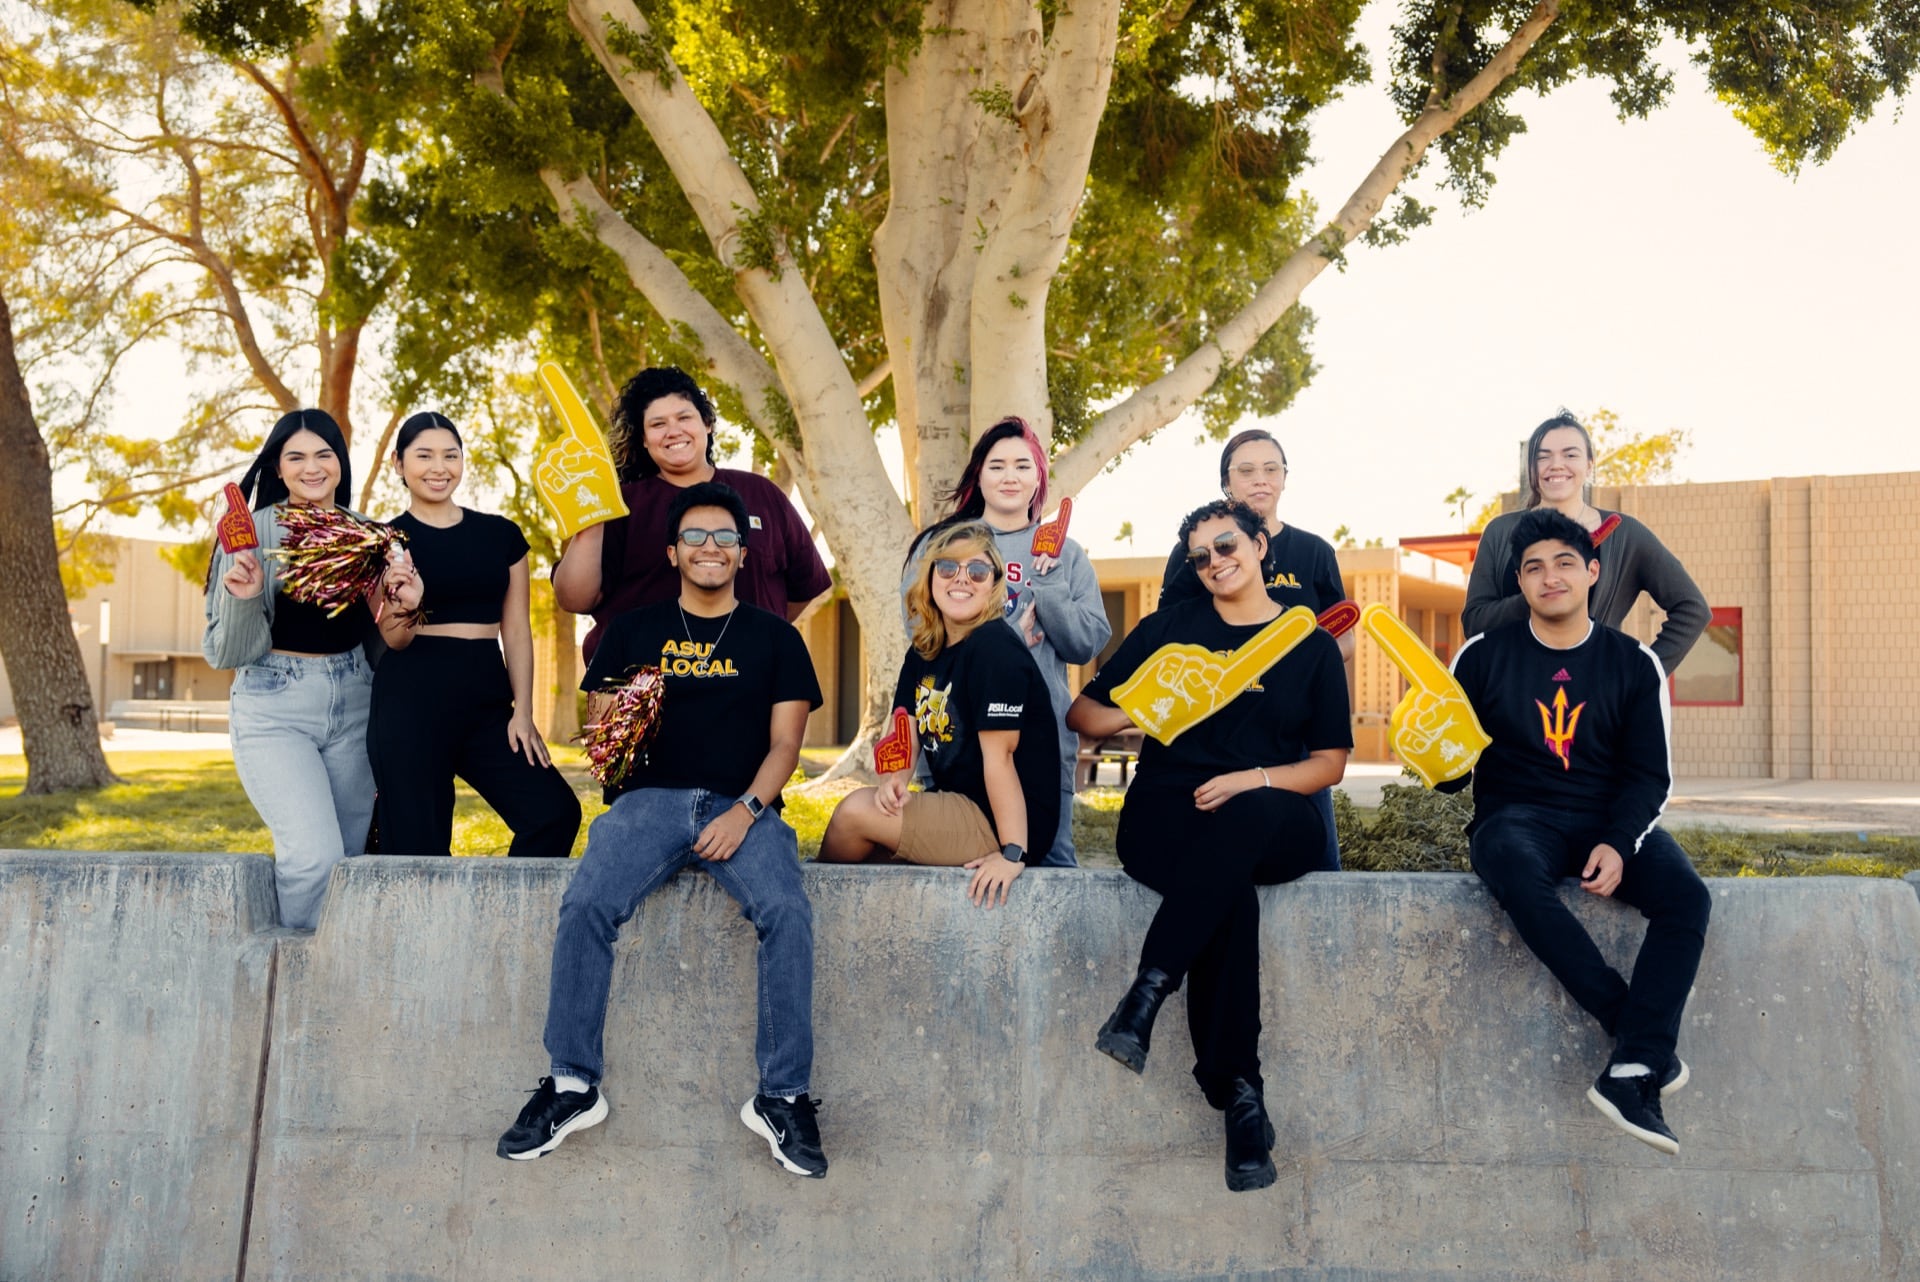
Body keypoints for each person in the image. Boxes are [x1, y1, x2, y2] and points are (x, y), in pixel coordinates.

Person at [497, 481, 828, 1178]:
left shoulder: (775, 638)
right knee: (587, 903)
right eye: (697, 538)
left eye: (726, 539)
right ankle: (571, 1084)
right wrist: (624, 718)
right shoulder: (634, 631)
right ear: (674, 551)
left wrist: (747, 811)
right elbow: (604, 741)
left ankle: (783, 1094)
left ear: (744, 552)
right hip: (649, 802)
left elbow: (786, 748)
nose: (712, 549)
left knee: (788, 911)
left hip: (743, 803)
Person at [1067, 499, 1350, 1193]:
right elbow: (1084, 715)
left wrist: (1251, 779)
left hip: (1274, 812)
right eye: (1202, 557)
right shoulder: (1170, 629)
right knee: (1229, 898)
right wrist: (1150, 706)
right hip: (1166, 816)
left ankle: (1150, 989)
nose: (1217, 562)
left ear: (1259, 546)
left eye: (1228, 547)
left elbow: (1330, 762)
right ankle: (1241, 1099)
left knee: (1244, 822)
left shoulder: (1306, 643)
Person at [1445, 508, 1711, 1155]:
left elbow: (1651, 777)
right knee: (1507, 862)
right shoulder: (1481, 657)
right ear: (1519, 582)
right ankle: (1635, 1036)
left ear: (1592, 572)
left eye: (1565, 563)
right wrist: (1430, 748)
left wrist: (1619, 842)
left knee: (1687, 898)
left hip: (1605, 816)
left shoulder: (1633, 663)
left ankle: (1628, 1073)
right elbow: (1452, 777)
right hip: (1518, 819)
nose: (1549, 577)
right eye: (1533, 567)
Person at [203, 409, 421, 929]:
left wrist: (404, 599)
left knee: (345, 861)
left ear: (340, 463)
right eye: (295, 456)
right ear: (278, 468)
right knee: (311, 858)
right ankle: (298, 986)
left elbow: (391, 637)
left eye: (324, 454)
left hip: (353, 701)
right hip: (273, 704)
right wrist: (248, 595)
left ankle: (336, 984)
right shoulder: (250, 531)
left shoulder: (369, 534)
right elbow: (224, 652)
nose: (312, 467)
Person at [366, 412, 580, 858]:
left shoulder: (501, 535)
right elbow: (394, 640)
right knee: (417, 851)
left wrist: (523, 712)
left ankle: (502, 921)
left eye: (451, 455)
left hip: (487, 703)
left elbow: (517, 631)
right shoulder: (384, 540)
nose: (439, 467)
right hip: (410, 703)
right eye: (423, 455)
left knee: (554, 812)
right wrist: (407, 604)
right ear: (398, 464)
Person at [900, 418, 1109, 866]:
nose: (1010, 476)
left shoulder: (1063, 553)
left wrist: (1048, 583)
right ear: (979, 475)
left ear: (1039, 478)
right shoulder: (943, 545)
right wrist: (1007, 639)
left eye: (1022, 465)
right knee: (954, 869)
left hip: (1039, 741)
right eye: (997, 466)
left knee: (1048, 866)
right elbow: (923, 636)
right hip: (950, 734)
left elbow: (1085, 644)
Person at [821, 523, 1059, 906]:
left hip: (1005, 820)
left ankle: (818, 910)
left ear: (994, 582)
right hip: (958, 800)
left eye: (977, 571)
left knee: (853, 814)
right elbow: (905, 731)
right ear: (931, 577)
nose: (961, 579)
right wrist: (894, 781)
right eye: (948, 568)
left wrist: (1013, 852)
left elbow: (1002, 758)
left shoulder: (994, 649)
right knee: (869, 844)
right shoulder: (925, 650)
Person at [1157, 428, 1347, 868]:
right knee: (1213, 854)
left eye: (1270, 469)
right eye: (1246, 471)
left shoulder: (1316, 552)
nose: (1260, 479)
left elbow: (1344, 636)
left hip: (1295, 729)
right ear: (1226, 482)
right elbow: (1169, 636)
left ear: (1284, 478)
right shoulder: (1195, 551)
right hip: (1215, 726)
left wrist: (1296, 669)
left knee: (1318, 864)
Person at [551, 367, 832, 663]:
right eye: (658, 424)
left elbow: (804, 585)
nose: (673, 431)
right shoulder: (618, 503)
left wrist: (753, 638)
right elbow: (574, 599)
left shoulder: (762, 494)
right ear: (644, 439)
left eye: (684, 417)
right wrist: (591, 519)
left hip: (750, 691)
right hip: (641, 694)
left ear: (707, 424)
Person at [1465, 410, 1708, 675]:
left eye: (1570, 454)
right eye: (1543, 456)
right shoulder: (1500, 532)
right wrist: (1540, 595)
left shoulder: (1624, 535)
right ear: (1531, 468)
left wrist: (1644, 676)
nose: (1556, 464)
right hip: (1508, 698)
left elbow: (1693, 608)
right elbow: (1475, 624)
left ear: (1590, 465)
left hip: (1593, 704)